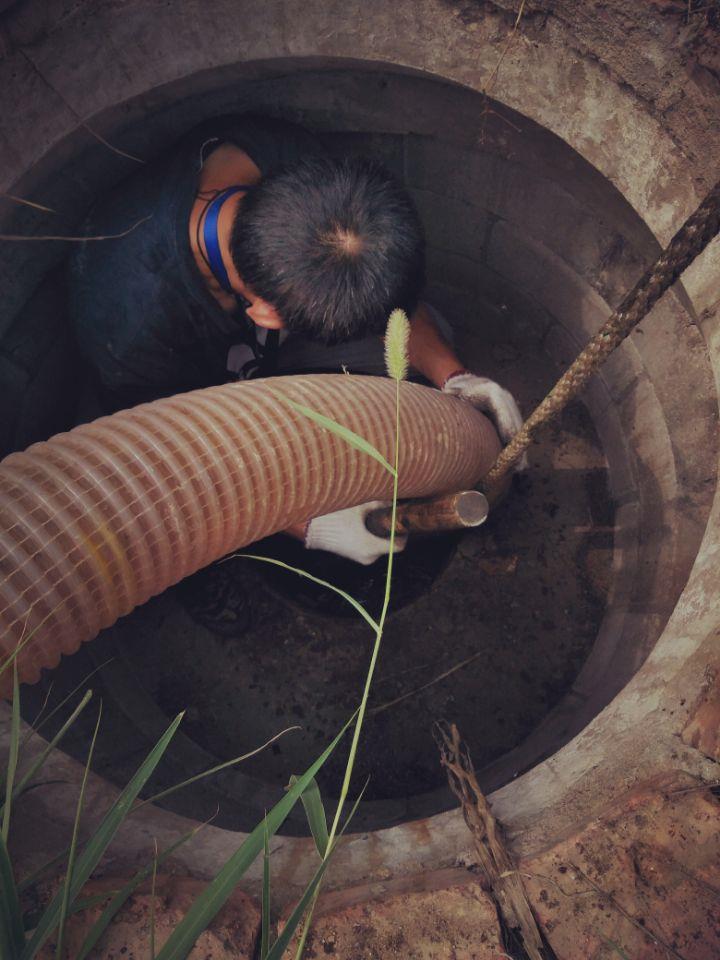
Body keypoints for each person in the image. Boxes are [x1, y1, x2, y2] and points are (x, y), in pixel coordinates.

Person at [69, 114, 523, 565]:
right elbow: (167, 455)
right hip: (194, 417)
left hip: (266, 356)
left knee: (432, 329)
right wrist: (305, 524)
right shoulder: (129, 322)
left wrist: (455, 377)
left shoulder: (300, 173)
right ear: (265, 315)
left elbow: (391, 307)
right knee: (180, 532)